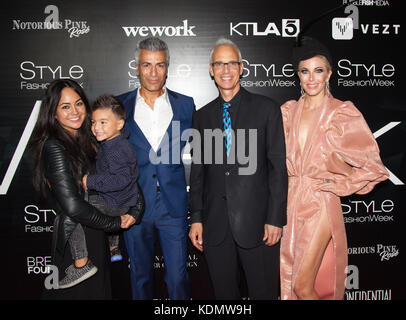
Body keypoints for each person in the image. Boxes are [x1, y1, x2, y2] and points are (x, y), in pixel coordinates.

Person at [279, 36, 389, 300]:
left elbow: (373, 165)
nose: (312, 78)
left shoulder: (341, 113)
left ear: (329, 74)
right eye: (305, 71)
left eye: (319, 70)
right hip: (292, 202)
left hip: (321, 202)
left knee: (302, 286)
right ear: (298, 75)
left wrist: (341, 184)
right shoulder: (288, 111)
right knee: (292, 280)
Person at [189, 38, 288, 299]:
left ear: (241, 67)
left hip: (258, 225)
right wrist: (197, 217)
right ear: (211, 70)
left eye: (231, 63)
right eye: (219, 64)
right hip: (215, 225)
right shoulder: (202, 116)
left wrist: (275, 218)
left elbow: (277, 168)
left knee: (264, 293)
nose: (225, 69)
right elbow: (198, 172)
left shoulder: (266, 109)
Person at [29, 79, 135, 299]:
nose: (75, 111)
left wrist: (135, 211)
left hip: (97, 236)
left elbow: (124, 176)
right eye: (65, 106)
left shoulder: (92, 140)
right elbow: (73, 207)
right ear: (53, 112)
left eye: (78, 104)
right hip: (76, 243)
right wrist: (115, 223)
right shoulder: (54, 146)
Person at [117, 37, 195, 300]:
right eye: (147, 65)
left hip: (172, 206)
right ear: (137, 67)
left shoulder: (185, 105)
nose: (153, 73)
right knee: (139, 276)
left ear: (167, 67)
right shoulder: (119, 106)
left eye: (159, 65)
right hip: (135, 206)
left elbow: (203, 153)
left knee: (177, 278)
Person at [78, 94, 141, 266]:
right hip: (121, 201)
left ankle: (80, 259)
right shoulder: (115, 142)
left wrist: (89, 181)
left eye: (103, 122)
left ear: (119, 124)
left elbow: (120, 179)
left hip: (115, 204)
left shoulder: (116, 149)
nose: (96, 127)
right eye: (93, 122)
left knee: (75, 210)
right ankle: (114, 247)